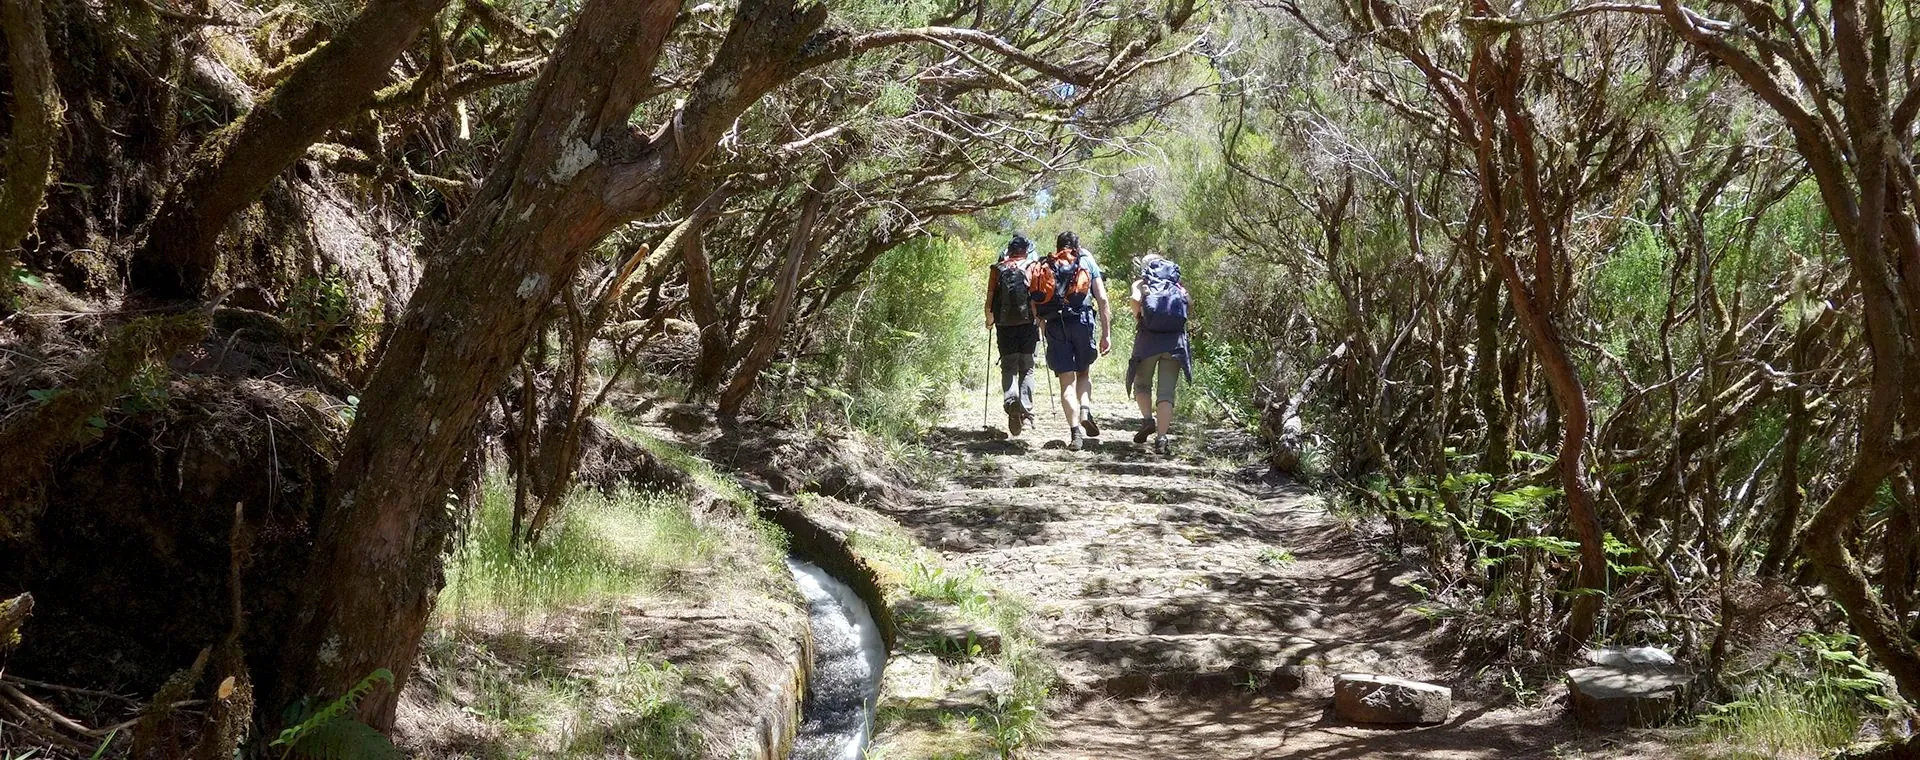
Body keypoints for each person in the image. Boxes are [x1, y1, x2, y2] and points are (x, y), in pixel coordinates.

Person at [1033, 231, 1111, 450]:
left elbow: (1036, 300)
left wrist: (1041, 326)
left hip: (1056, 323)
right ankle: (1085, 407)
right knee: (1083, 372)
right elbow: (1102, 299)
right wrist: (1106, 333)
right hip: (1083, 321)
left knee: (1066, 381)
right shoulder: (1086, 261)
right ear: (1078, 245)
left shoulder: (1048, 263)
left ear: (1057, 245)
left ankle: (1075, 433)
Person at [1127, 252, 1192, 455]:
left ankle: (1148, 420)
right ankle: (1162, 439)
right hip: (1174, 343)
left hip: (1148, 341)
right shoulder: (1177, 285)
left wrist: (1140, 316)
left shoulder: (1141, 283)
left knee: (1142, 383)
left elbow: (1134, 300)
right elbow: (1189, 304)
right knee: (1166, 392)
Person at [985, 235, 1040, 435]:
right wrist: (1039, 321)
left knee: (1009, 366)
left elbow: (990, 295)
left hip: (1004, 324)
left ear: (1009, 251)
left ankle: (1011, 403)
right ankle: (1026, 410)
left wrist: (989, 319)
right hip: (1028, 324)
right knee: (1027, 367)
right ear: (1026, 250)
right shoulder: (1033, 266)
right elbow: (1036, 297)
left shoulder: (997, 268)